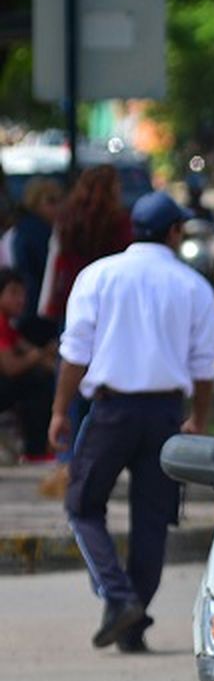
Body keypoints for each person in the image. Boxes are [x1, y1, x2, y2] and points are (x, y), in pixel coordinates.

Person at [49, 191, 214, 653]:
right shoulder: (193, 286)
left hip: (111, 410)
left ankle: (120, 599)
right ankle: (131, 619)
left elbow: (74, 354)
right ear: (173, 233)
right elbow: (204, 367)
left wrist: (60, 411)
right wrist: (197, 420)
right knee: (152, 521)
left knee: (82, 506)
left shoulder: (98, 276)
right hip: (165, 415)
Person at [39, 165, 134, 326]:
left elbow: (56, 262)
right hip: (109, 299)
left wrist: (49, 303)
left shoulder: (67, 220)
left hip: (73, 295)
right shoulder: (120, 223)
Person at [0, 270, 57, 461]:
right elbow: (11, 367)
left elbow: (31, 350)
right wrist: (39, 355)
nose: (21, 300)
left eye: (22, 294)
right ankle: (35, 450)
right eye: (14, 293)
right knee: (35, 382)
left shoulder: (9, 325)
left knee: (42, 376)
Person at [9, 177, 64, 321]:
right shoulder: (36, 232)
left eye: (60, 201)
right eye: (51, 201)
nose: (58, 207)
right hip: (35, 306)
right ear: (34, 202)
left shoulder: (23, 228)